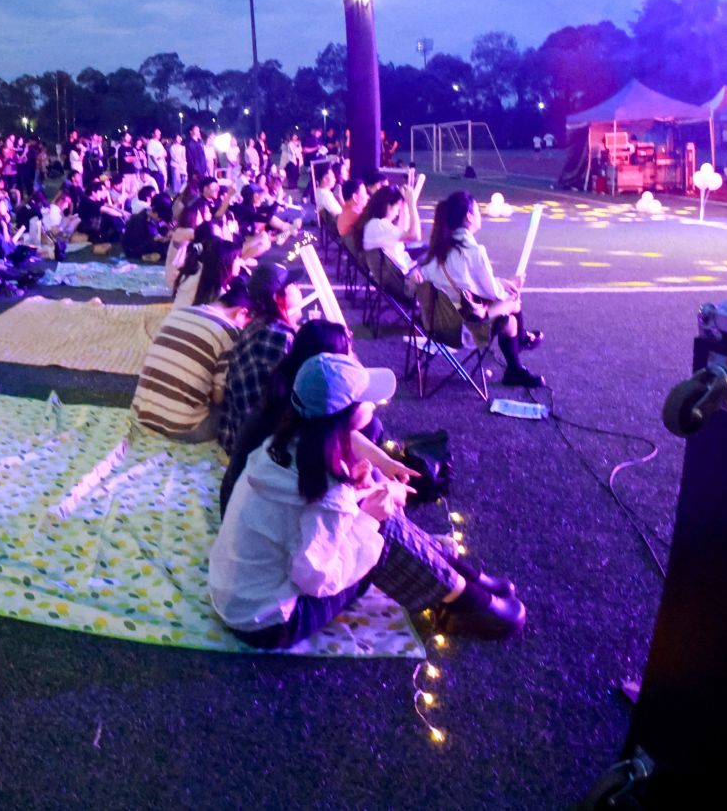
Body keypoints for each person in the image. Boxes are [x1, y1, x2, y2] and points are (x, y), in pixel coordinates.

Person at [210, 349, 526, 647]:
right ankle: (465, 599)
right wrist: (369, 519)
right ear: (344, 418)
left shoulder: (282, 443)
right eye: (366, 401)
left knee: (375, 505)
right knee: (382, 533)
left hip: (240, 597)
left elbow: (311, 515)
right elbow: (316, 578)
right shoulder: (324, 488)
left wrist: (366, 495)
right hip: (269, 622)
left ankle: (459, 582)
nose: (374, 405)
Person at [426, 191, 545, 389]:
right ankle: (521, 343)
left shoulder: (438, 248)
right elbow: (494, 293)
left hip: (435, 324)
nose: (480, 214)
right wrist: (513, 284)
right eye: (477, 211)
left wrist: (502, 282)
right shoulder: (473, 251)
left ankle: (516, 362)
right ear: (469, 216)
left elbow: (469, 283)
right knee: (513, 301)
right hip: (462, 329)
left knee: (510, 321)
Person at [131, 276, 252, 441]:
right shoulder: (228, 332)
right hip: (184, 428)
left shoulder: (179, 313)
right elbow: (218, 397)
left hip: (142, 414)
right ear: (242, 312)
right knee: (237, 408)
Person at [217, 262, 301, 457]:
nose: (297, 288)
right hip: (252, 445)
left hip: (236, 432)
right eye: (291, 285)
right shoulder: (277, 336)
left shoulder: (259, 324)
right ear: (277, 297)